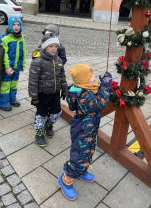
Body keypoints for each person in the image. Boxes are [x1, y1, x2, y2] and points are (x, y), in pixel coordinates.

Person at [57, 64, 112, 200]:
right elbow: (100, 103)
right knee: (79, 154)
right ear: (83, 80)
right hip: (83, 129)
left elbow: (96, 96)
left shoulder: (86, 89)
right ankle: (66, 178)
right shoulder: (83, 95)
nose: (95, 77)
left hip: (90, 129)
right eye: (92, 76)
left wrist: (101, 85)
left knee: (89, 150)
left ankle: (81, 170)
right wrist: (105, 86)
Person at [29, 32, 67, 147]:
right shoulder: (38, 61)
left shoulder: (59, 60)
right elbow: (33, 80)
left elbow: (62, 75)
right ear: (44, 46)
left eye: (56, 46)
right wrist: (34, 96)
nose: (54, 49)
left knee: (56, 112)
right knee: (41, 114)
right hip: (42, 94)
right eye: (51, 46)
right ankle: (39, 133)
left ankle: (49, 125)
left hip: (55, 93)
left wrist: (64, 89)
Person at [0, 16, 26, 111]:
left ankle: (12, 99)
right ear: (10, 26)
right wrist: (7, 67)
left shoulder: (21, 38)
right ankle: (3, 103)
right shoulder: (6, 39)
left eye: (18, 25)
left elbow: (23, 52)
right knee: (5, 85)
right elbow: (4, 54)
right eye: (14, 25)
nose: (16, 27)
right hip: (8, 67)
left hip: (17, 67)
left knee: (14, 84)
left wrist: (22, 65)